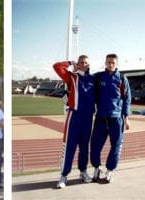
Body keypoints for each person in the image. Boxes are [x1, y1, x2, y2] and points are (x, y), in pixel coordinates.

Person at [53, 55, 95, 188]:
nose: (84, 65)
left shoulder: (94, 79)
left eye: (86, 63)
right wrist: (70, 63)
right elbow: (57, 66)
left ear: (89, 64)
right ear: (78, 64)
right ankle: (64, 176)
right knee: (69, 147)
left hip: (88, 117)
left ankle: (83, 172)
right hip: (74, 116)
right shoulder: (71, 77)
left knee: (84, 148)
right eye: (81, 62)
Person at [90, 53, 131, 183]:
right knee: (95, 146)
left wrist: (126, 118)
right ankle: (96, 168)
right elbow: (84, 80)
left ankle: (109, 171)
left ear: (116, 64)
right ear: (105, 63)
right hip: (101, 118)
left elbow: (126, 100)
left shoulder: (122, 79)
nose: (111, 64)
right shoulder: (98, 77)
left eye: (113, 62)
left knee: (115, 146)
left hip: (116, 119)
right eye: (109, 62)